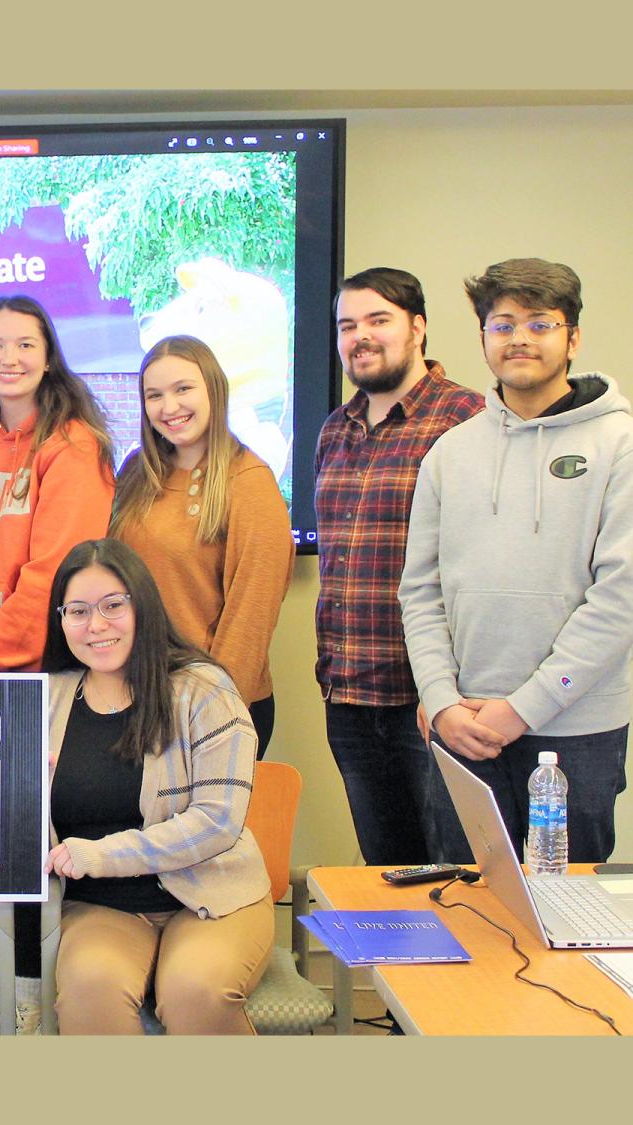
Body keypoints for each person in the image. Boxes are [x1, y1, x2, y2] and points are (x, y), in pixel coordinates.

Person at [401, 258, 633, 864]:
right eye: (502, 326)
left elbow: (620, 597)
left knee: (566, 926)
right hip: (464, 725)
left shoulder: (620, 445)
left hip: (575, 731)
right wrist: (441, 700)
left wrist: (521, 709)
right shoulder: (449, 454)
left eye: (540, 324)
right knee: (469, 910)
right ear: (482, 338)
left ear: (572, 337)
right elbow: (419, 592)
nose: (520, 340)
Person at [42, 538, 270, 1034]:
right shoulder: (46, 697)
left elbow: (218, 821)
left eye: (112, 606)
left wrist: (101, 855)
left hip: (211, 895)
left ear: (142, 605)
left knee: (195, 992)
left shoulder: (206, 690)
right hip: (101, 906)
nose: (95, 625)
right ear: (60, 620)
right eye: (77, 610)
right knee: (89, 992)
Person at [315, 267, 482, 865]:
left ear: (418, 327)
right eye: (347, 325)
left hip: (433, 701)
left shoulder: (469, 420)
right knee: (388, 874)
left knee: (454, 875)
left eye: (378, 320)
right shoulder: (335, 431)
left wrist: (448, 692)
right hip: (351, 699)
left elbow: (480, 570)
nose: (361, 337)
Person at [110, 335, 293, 757]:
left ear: (214, 388)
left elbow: (251, 616)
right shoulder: (136, 472)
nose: (169, 407)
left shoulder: (248, 481)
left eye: (183, 389)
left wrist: (212, 710)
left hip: (210, 704)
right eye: (154, 395)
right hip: (137, 695)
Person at [0, 294, 115, 672]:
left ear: (48, 360)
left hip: (44, 674)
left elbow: (52, 576)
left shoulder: (73, 447)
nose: (8, 358)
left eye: (25, 345)